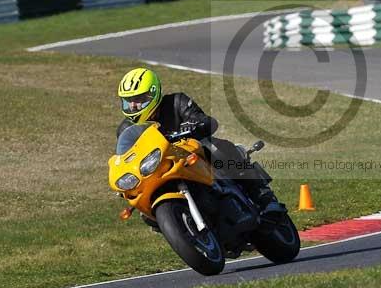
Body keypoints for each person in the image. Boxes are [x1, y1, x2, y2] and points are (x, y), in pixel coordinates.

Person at [116, 67, 282, 215]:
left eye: (138, 100)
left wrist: (194, 125)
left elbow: (207, 121)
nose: (133, 107)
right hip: (161, 168)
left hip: (194, 156)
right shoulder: (125, 129)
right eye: (128, 101)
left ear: (152, 93)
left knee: (217, 147)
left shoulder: (176, 102)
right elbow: (127, 156)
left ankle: (263, 195)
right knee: (142, 207)